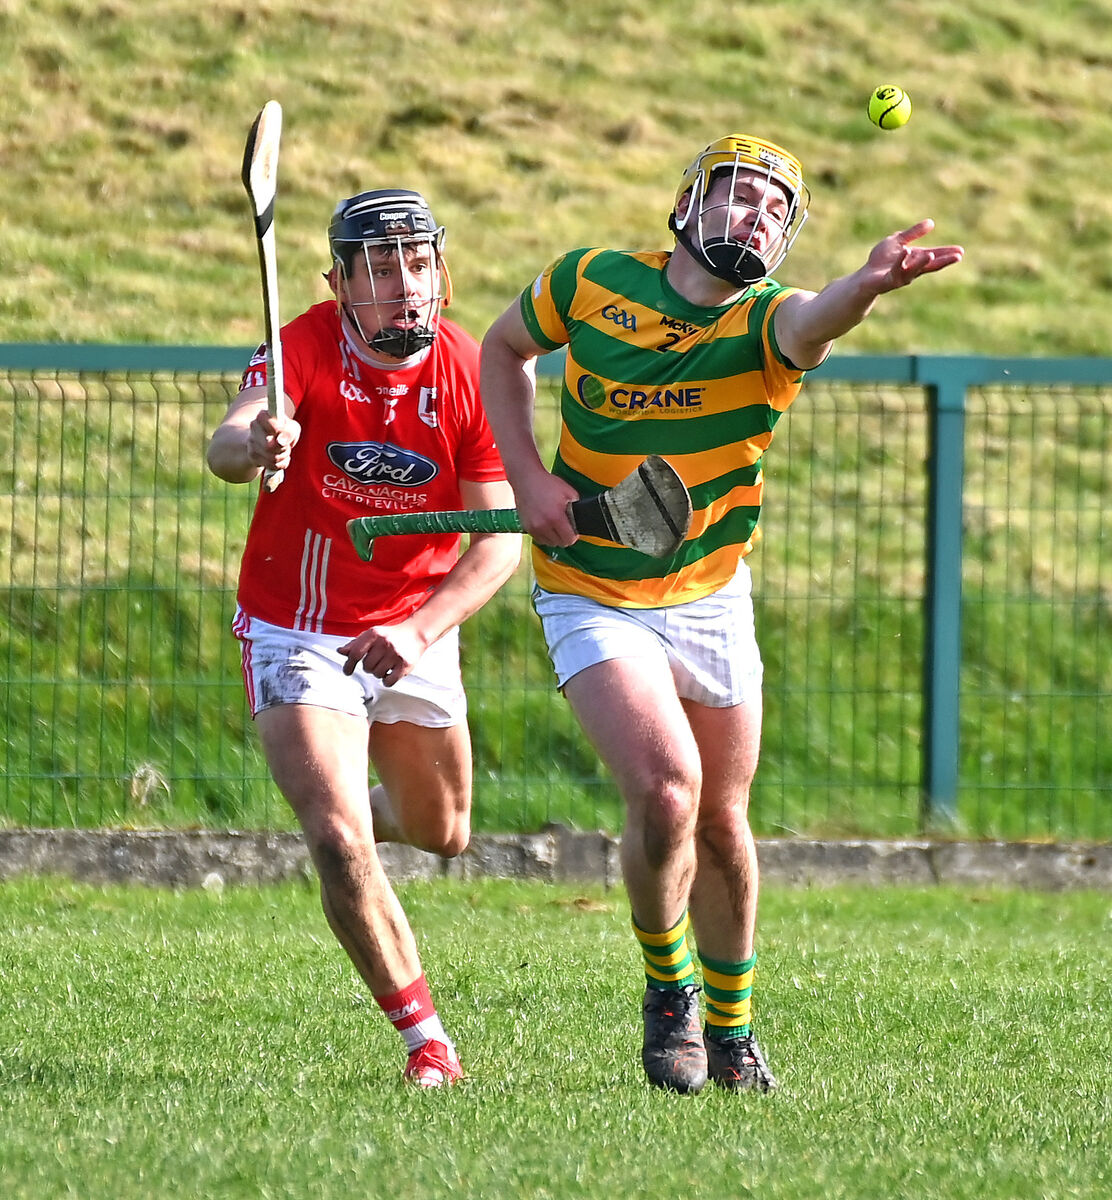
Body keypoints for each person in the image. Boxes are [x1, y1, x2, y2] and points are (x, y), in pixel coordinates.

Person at [479, 134, 963, 1094]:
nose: (754, 216)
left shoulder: (770, 327)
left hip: (709, 593)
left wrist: (865, 285)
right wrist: (526, 475)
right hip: (591, 588)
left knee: (725, 824)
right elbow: (503, 348)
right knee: (667, 791)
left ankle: (734, 1033)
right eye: (739, 196)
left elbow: (820, 316)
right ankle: (670, 997)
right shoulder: (590, 280)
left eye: (775, 211)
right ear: (689, 203)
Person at [207, 187, 520, 1087]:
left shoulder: (468, 370)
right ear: (339, 282)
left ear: (441, 271)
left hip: (416, 623)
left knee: (445, 832)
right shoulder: (298, 347)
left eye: (416, 263)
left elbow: (498, 537)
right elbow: (225, 445)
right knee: (341, 841)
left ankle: (351, 815)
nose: (402, 285)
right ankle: (427, 1042)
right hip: (299, 627)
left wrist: (418, 631)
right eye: (379, 268)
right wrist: (258, 441)